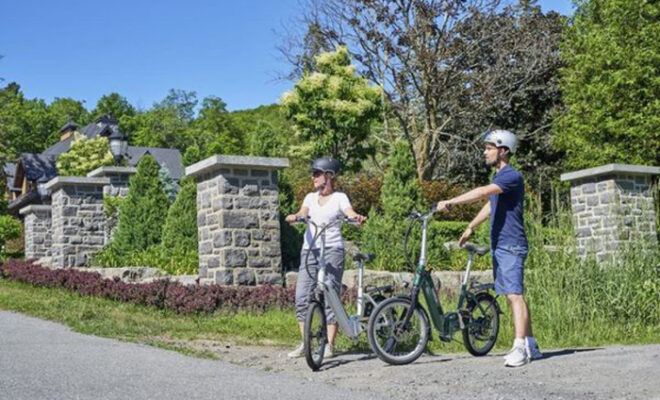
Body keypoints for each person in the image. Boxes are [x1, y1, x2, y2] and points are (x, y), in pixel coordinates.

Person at [435, 130, 542, 367]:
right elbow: (490, 205)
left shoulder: (511, 176)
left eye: (489, 148)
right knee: (512, 295)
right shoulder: (500, 180)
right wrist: (471, 226)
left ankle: (519, 348)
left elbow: (483, 193)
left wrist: (450, 202)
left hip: (511, 244)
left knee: (515, 295)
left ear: (503, 150)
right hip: (501, 245)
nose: (485, 152)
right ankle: (531, 343)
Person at [285, 157, 366, 359]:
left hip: (332, 250)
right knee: (302, 296)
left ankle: (330, 345)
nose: (313, 177)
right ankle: (306, 343)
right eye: (313, 174)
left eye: (317, 174)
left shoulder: (340, 197)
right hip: (310, 249)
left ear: (328, 176)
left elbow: (349, 212)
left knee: (331, 296)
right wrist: (295, 217)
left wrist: (356, 218)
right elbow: (303, 212)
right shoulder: (310, 198)